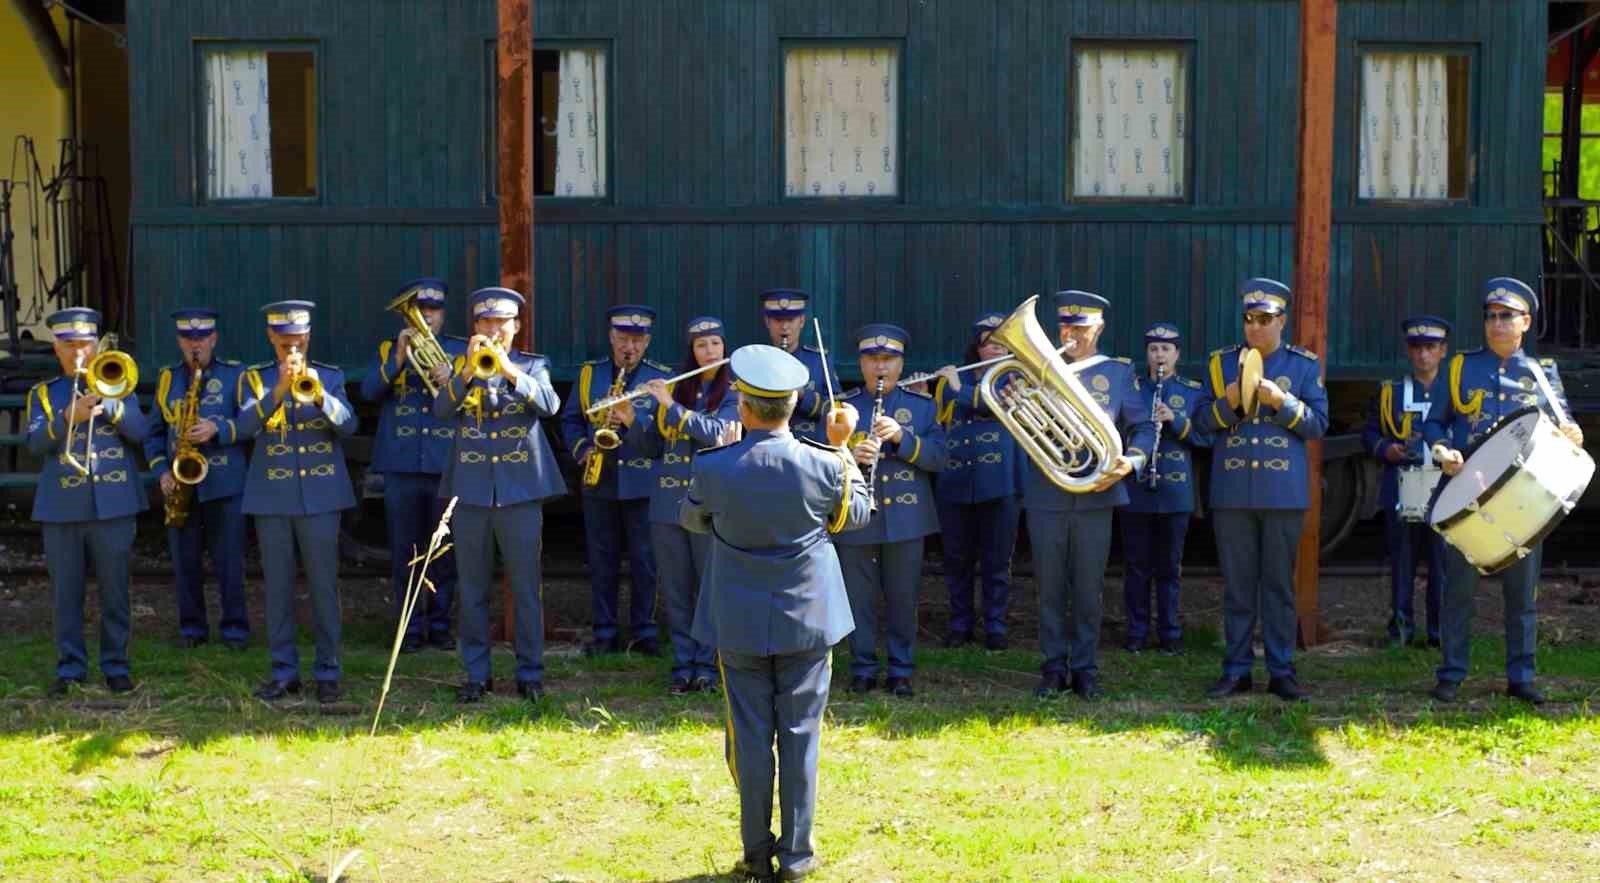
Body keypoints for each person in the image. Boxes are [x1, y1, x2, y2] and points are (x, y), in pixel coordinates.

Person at [681, 343, 872, 882]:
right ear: (792, 406)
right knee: (800, 737)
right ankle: (797, 856)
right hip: (808, 619)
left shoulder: (714, 465)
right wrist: (844, 448)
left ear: (743, 405)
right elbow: (856, 514)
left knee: (749, 738)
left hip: (737, 619)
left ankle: (756, 853)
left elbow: (691, 520)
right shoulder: (823, 462)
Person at [1425, 278, 1582, 705]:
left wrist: (1574, 432)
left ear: (1525, 322)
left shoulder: (1541, 372)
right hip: (1465, 497)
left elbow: (1564, 425)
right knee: (1457, 592)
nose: (1497, 324)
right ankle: (1451, 674)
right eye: (1491, 316)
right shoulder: (1459, 367)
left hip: (1523, 503)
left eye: (1506, 316)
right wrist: (1442, 449)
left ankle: (1521, 676)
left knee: (1522, 596)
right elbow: (1434, 422)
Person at [1195, 278, 1329, 703]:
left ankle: (1281, 670)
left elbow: (1318, 425)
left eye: (1265, 319)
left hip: (1281, 493)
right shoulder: (1220, 365)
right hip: (1233, 491)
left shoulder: (1304, 366)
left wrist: (1281, 403)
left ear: (1281, 321)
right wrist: (1229, 402)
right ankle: (1236, 670)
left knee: (1277, 587)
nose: (1255, 327)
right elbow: (1200, 423)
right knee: (1237, 586)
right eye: (1250, 319)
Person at [434, 287, 566, 702]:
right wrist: (468, 373)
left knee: (526, 588)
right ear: (476, 327)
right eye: (486, 323)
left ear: (517, 326)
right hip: (471, 491)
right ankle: (476, 675)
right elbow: (441, 411)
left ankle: (530, 674)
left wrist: (509, 371)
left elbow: (550, 405)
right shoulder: (462, 365)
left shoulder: (533, 364)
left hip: (520, 489)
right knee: (472, 589)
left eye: (502, 323)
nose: (494, 330)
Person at [1019, 292, 1152, 700]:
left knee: (1088, 587)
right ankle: (1053, 668)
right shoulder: (1037, 369)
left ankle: (1086, 668)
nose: (1071, 334)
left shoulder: (1115, 373)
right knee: (1051, 587)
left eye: (1080, 327)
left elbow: (1143, 426)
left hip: (1096, 495)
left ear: (1098, 329)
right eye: (1065, 326)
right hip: (1047, 494)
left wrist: (1131, 461)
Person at [236, 300, 359, 704]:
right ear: (271, 337)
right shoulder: (253, 380)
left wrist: (320, 396)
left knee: (324, 586)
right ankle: (284, 672)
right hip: (272, 495)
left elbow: (348, 425)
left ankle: (328, 671)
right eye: (285, 340)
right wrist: (279, 391)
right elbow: (242, 427)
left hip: (322, 496)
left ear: (308, 336)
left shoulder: (330, 376)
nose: (293, 347)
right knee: (278, 588)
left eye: (299, 340)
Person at [28, 308, 149, 697]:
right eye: (69, 346)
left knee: (115, 591)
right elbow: (36, 443)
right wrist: (71, 416)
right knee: (67, 593)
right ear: (57, 350)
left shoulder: (121, 383)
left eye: (84, 344)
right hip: (62, 506)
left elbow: (141, 432)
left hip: (113, 503)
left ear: (97, 346)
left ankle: (116, 666)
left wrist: (110, 404)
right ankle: (70, 668)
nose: (78, 353)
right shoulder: (44, 393)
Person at [621, 315, 740, 694]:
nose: (710, 352)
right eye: (702, 346)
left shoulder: (735, 393)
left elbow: (718, 434)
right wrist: (630, 423)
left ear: (724, 349)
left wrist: (670, 407)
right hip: (667, 504)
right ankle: (682, 664)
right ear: (692, 351)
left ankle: (707, 665)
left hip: (709, 505)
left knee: (709, 587)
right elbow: (652, 448)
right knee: (675, 589)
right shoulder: (677, 389)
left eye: (716, 345)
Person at [834, 323, 947, 697]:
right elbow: (822, 461)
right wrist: (850, 455)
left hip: (906, 517)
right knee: (858, 598)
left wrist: (902, 439)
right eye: (872, 359)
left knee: (903, 596)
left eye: (888, 359)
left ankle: (900, 669)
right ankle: (863, 667)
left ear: (900, 365)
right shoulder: (843, 407)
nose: (880, 367)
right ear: (861, 364)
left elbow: (939, 458)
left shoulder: (922, 407)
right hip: (856, 516)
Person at [360, 278, 466, 653]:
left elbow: (472, 403)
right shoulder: (390, 349)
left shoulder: (461, 351)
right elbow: (369, 392)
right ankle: (409, 628)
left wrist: (452, 380)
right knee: (405, 550)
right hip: (401, 464)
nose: (426, 319)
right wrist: (399, 360)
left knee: (444, 551)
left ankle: (440, 625)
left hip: (444, 463)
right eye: (419, 312)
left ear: (443, 314)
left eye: (433, 311)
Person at [559, 305, 671, 656]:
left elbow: (667, 434)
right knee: (601, 558)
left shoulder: (660, 379)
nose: (630, 348)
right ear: (611, 337)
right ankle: (604, 631)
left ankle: (644, 631)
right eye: (623, 339)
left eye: (637, 341)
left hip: (642, 482)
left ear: (648, 341)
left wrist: (633, 419)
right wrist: (582, 451)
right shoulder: (590, 375)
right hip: (600, 478)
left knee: (645, 560)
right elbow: (571, 421)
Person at [144, 307, 251, 650]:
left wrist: (217, 429)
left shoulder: (237, 376)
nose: (196, 344)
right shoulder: (167, 379)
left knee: (230, 562)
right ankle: (192, 630)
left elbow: (253, 425)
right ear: (179, 341)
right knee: (185, 562)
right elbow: (153, 433)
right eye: (189, 339)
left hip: (224, 483)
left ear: (214, 338)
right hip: (181, 484)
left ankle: (235, 631)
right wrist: (162, 470)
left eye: (202, 338)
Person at [932, 311, 1022, 651]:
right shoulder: (951, 378)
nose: (997, 349)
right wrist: (939, 384)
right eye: (990, 343)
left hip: (1000, 480)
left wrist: (957, 388)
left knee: (997, 560)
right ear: (978, 348)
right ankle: (960, 624)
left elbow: (995, 407)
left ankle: (995, 626)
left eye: (1003, 343)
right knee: (957, 559)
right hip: (956, 478)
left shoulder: (1017, 379)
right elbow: (939, 418)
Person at [1119, 321, 1210, 655]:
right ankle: (1137, 632)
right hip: (1137, 489)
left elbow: (1206, 438)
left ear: (1177, 354)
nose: (1159, 355)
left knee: (1169, 568)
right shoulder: (1132, 388)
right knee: (1137, 566)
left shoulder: (1192, 390)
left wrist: (1177, 421)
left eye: (1166, 349)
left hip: (1175, 491)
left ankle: (1170, 633)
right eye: (1153, 349)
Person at [1360, 316, 1450, 648]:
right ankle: (1401, 628)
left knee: (1443, 564)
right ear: (1408, 352)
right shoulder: (1391, 392)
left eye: (1430, 347)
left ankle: (1440, 632)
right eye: (1416, 348)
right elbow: (1369, 434)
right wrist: (1387, 449)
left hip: (1445, 489)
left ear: (1443, 350)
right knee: (1401, 562)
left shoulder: (1457, 391)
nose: (1423, 355)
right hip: (1401, 488)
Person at [759, 288, 838, 439]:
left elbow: (836, 409)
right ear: (767, 321)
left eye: (790, 320)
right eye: (778, 320)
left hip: (810, 447)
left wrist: (802, 394)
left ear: (801, 321)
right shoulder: (758, 361)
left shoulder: (820, 359)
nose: (784, 327)